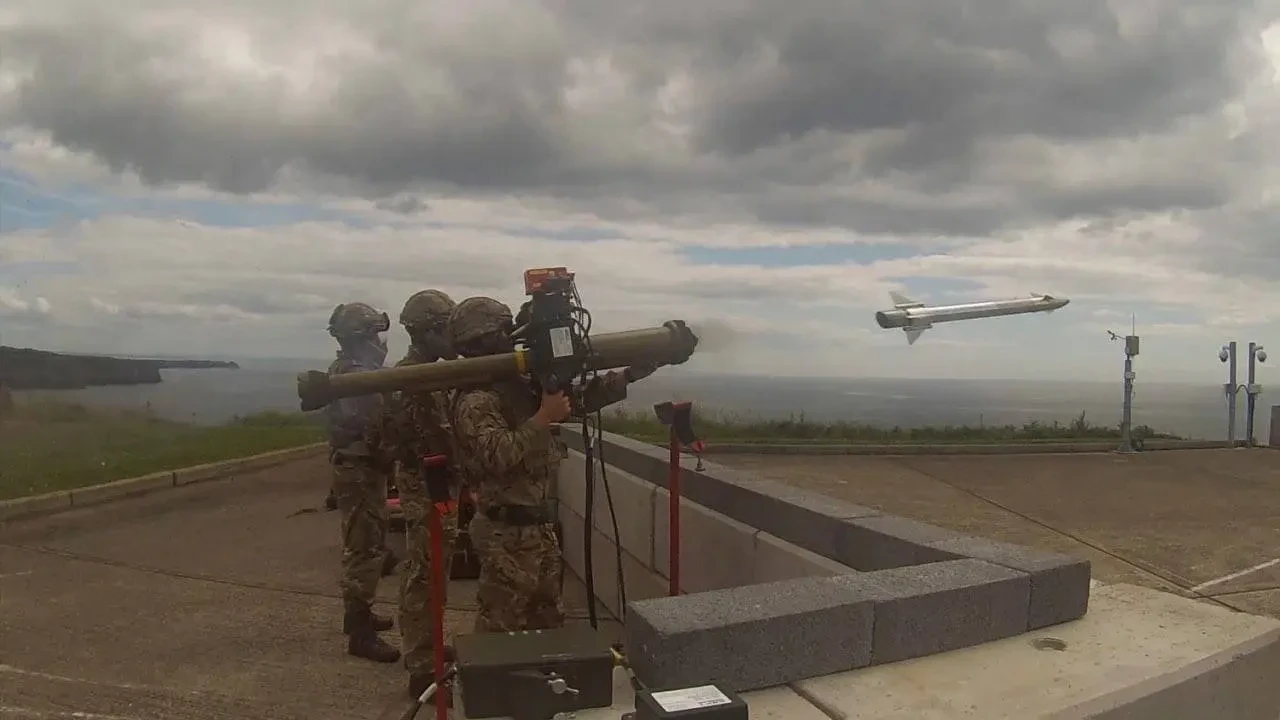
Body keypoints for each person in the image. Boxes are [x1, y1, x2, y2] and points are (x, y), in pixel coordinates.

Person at [446, 296, 666, 632]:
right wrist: (543, 418)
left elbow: (573, 401)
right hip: (504, 532)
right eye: (501, 332)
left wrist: (628, 376)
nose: (509, 337)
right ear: (480, 340)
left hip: (537, 527)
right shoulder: (476, 399)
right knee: (502, 629)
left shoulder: (515, 385)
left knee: (548, 624)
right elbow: (496, 455)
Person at [381, 289, 460, 698]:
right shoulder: (412, 378)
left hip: (437, 483)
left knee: (436, 571)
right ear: (427, 332)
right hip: (425, 484)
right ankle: (421, 666)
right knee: (424, 574)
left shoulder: (429, 373)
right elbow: (435, 437)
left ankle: (430, 643)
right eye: (446, 328)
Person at [323, 302, 401, 664]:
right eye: (373, 335)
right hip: (360, 469)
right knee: (364, 548)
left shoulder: (347, 371)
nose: (379, 342)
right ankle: (360, 633)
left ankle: (360, 615)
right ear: (361, 339)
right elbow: (375, 430)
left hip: (358, 468)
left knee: (367, 543)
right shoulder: (358, 379)